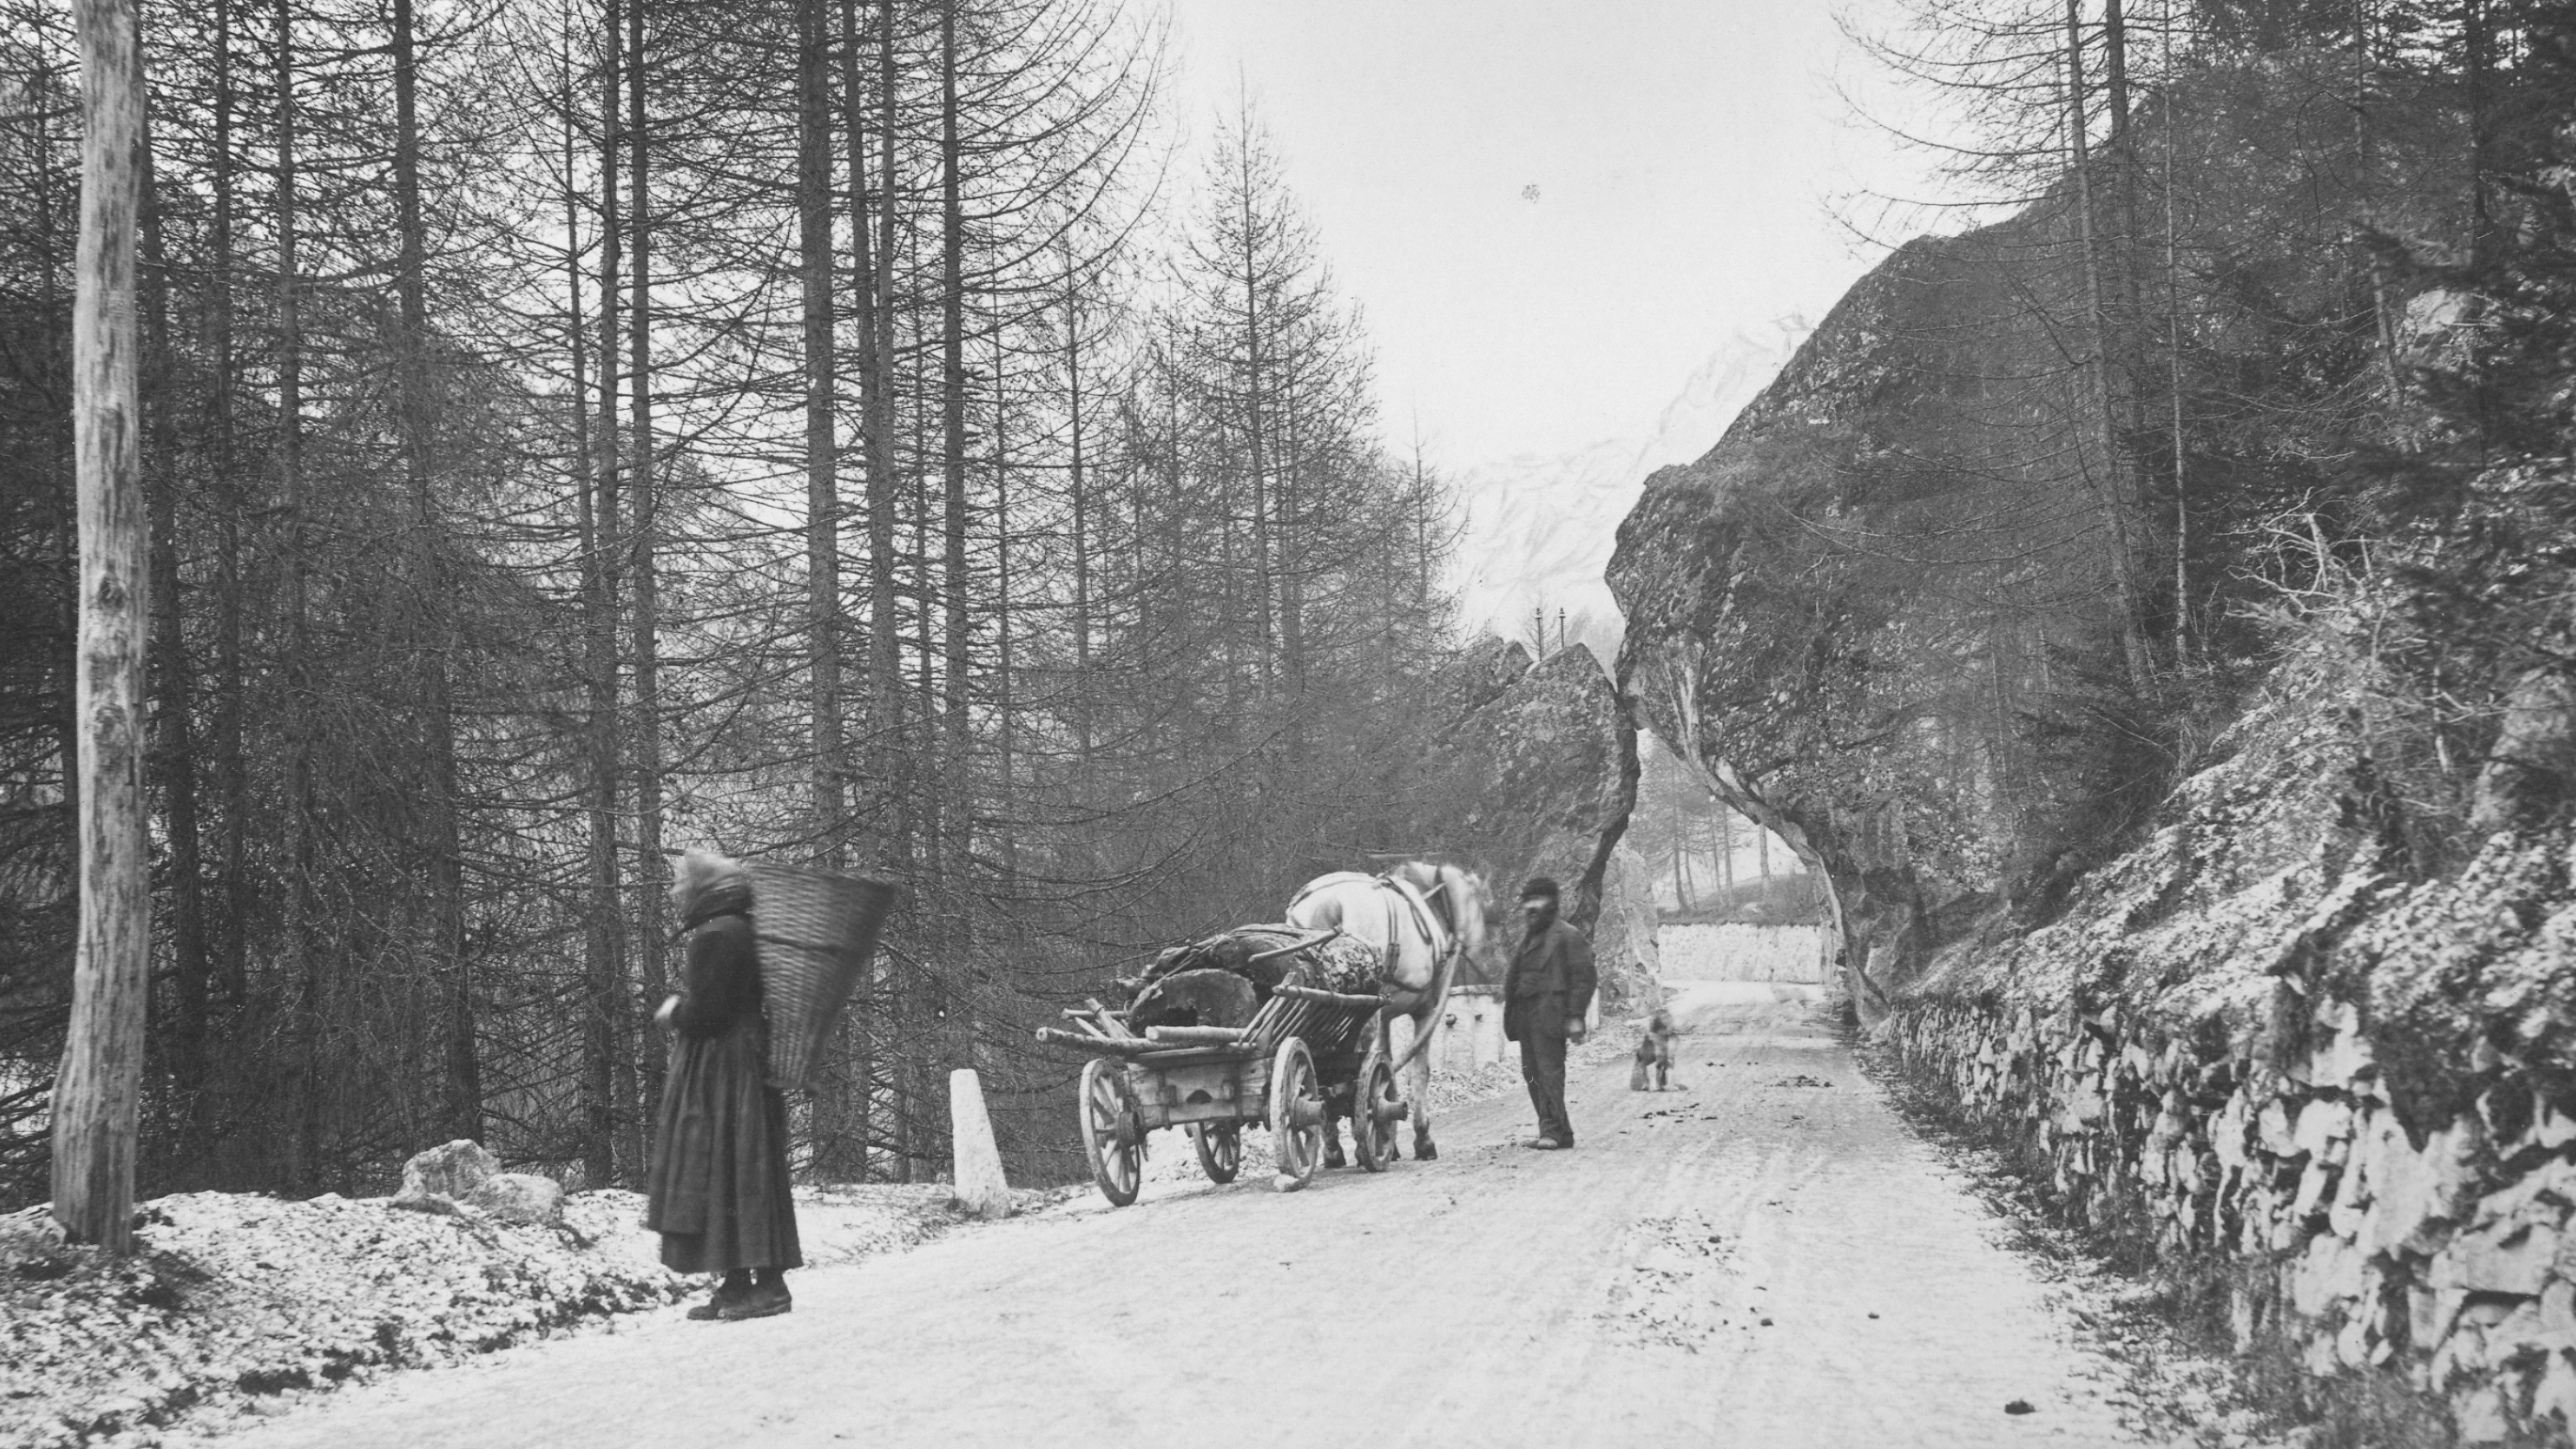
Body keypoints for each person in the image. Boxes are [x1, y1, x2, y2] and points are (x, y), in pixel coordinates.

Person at [646, 849, 803, 1320]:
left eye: (681, 885)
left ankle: (762, 1287)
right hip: (749, 1061)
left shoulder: (713, 936)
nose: (676, 894)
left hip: (722, 1068)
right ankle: (743, 1285)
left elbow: (709, 1014)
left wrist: (674, 1011)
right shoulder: (745, 931)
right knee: (748, 1169)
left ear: (705, 891)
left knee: (722, 1167)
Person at [1501, 875, 1595, 1150]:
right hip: (1526, 1015)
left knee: (1550, 1073)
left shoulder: (1567, 935)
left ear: (1552, 903)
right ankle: (1560, 1131)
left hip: (1551, 1014)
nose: (1532, 907)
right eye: (1527, 901)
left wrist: (1576, 1015)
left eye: (1538, 900)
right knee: (1531, 1073)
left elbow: (1584, 977)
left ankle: (1551, 1132)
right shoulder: (1529, 938)